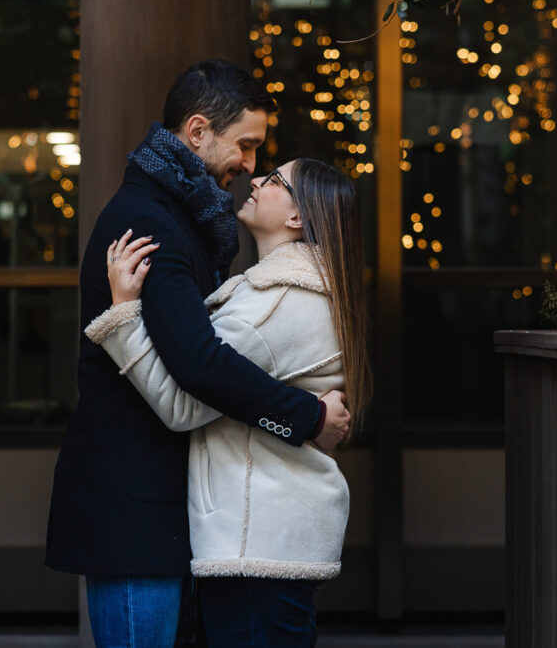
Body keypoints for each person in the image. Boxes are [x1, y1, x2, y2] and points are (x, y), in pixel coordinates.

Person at [44, 60, 352, 647]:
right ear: (197, 131)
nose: (251, 166)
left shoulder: (185, 218)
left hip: (165, 512)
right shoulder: (148, 221)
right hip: (133, 509)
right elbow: (200, 365)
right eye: (246, 145)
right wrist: (308, 416)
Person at [88, 158, 373, 646]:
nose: (256, 180)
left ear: (298, 218)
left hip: (256, 540)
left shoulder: (278, 302)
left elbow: (182, 406)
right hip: (267, 534)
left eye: (275, 180)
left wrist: (123, 316)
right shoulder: (277, 291)